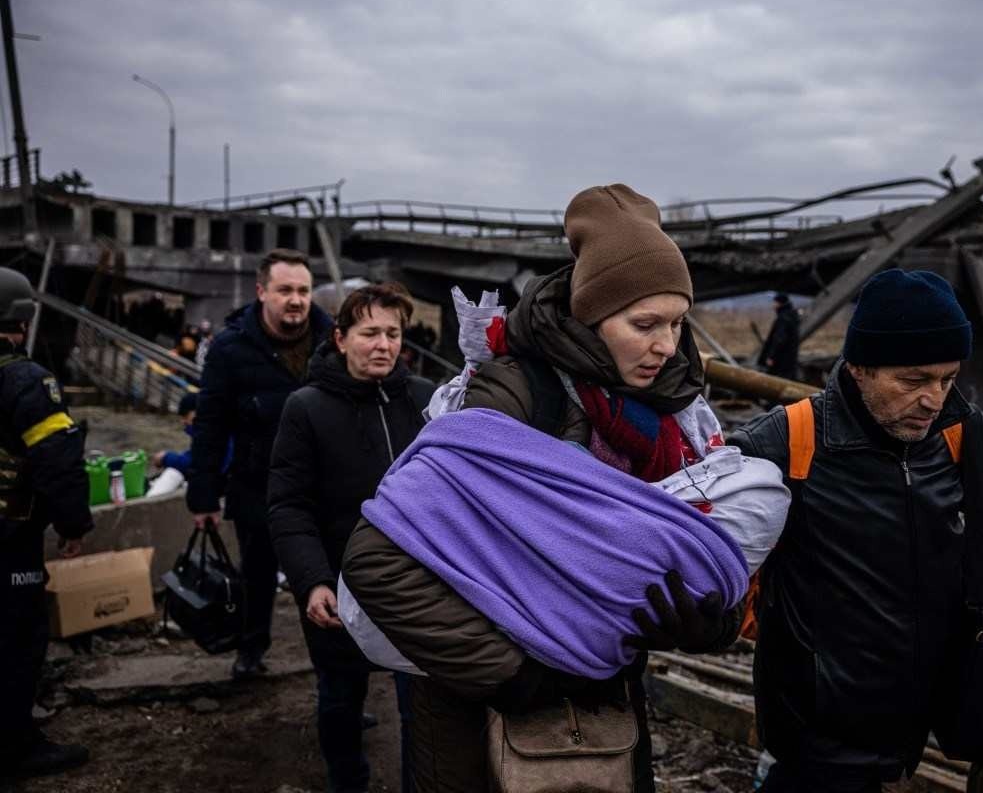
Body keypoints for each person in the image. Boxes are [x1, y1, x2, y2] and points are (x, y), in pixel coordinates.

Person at [342, 184, 744, 792]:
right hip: (476, 720)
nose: (667, 345)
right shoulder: (516, 395)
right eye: (644, 324)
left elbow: (684, 548)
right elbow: (376, 561)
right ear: (590, 316)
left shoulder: (676, 422)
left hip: (602, 715)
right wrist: (519, 674)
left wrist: (704, 623)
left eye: (678, 322)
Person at [730, 269, 983, 792]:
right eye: (914, 380)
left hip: (922, 707)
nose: (933, 399)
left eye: (947, 379)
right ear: (858, 367)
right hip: (817, 718)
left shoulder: (962, 434)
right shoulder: (790, 439)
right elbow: (702, 523)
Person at [269, 282, 431, 793]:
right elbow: (289, 504)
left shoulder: (427, 402)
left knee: (422, 709)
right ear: (340, 339)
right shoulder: (307, 407)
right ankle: (348, 783)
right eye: (369, 333)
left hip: (418, 589)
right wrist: (313, 580)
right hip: (340, 587)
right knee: (340, 700)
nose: (382, 345)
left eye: (392, 333)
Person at [187, 249, 332, 680]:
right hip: (257, 486)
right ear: (261, 292)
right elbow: (210, 427)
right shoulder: (230, 349)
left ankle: (338, 679)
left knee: (327, 578)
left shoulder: (332, 340)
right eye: (285, 290)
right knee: (258, 575)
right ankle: (251, 651)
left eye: (303, 291)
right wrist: (203, 496)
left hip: (321, 487)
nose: (296, 300)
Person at [0, 267, 93, 780]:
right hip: (10, 544)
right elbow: (58, 460)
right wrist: (73, 524)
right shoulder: (26, 380)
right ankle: (15, 747)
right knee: (16, 639)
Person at [758, 292, 800, 380]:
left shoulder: (783, 318)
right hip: (789, 359)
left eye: (774, 302)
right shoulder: (792, 316)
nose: (773, 305)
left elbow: (780, 339)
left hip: (781, 360)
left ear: (779, 303)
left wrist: (771, 357)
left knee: (776, 381)